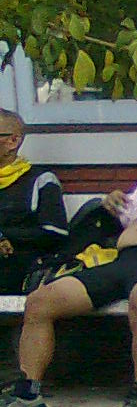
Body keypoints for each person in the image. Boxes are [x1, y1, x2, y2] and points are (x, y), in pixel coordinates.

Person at [0, 116, 137, 407]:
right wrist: (112, 204)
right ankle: (28, 395)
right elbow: (121, 218)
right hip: (121, 260)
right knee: (40, 301)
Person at [0, 110, 68, 293]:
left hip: (21, 267)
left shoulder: (41, 180)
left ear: (13, 141)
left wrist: (7, 236)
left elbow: (55, 233)